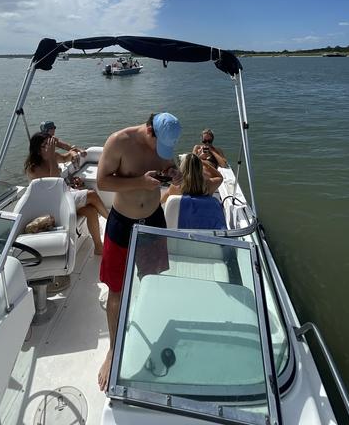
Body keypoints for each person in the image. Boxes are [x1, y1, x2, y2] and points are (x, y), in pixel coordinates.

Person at [96, 112, 182, 391]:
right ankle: (113, 349)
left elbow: (171, 176)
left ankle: (152, 337)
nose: (163, 154)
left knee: (153, 283)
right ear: (149, 130)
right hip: (122, 223)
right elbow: (103, 182)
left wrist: (175, 175)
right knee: (117, 290)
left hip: (154, 221)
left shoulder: (165, 145)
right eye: (160, 147)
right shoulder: (119, 142)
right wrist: (139, 182)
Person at [24, 131, 108, 255]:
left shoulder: (54, 156)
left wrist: (74, 152)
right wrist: (52, 157)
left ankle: (98, 247)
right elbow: (55, 184)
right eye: (45, 145)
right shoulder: (34, 168)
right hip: (53, 203)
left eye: (50, 144)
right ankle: (113, 223)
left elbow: (66, 157)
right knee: (91, 195)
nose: (49, 148)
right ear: (37, 149)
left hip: (63, 196)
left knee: (91, 211)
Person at [161, 153, 225, 229]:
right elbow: (220, 177)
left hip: (182, 226)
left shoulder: (176, 187)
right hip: (203, 226)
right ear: (200, 168)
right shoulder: (209, 185)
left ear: (182, 168)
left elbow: (163, 199)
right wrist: (204, 162)